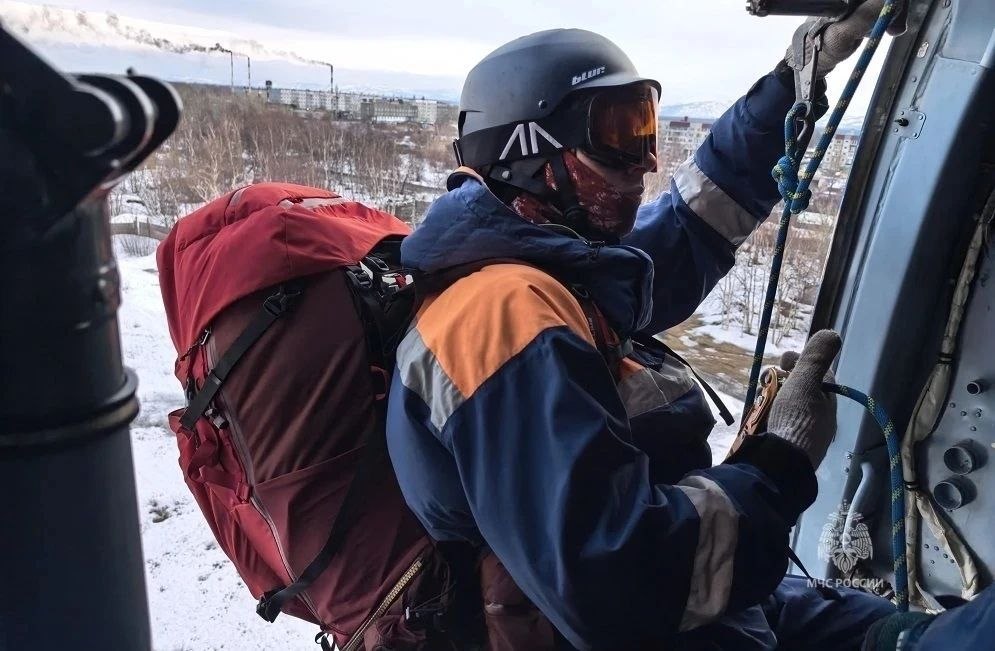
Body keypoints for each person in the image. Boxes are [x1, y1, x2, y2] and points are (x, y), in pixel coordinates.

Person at [385, 5, 900, 649]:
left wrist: (795, 82)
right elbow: (618, 579)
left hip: (712, 603)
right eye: (619, 133)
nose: (646, 162)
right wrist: (781, 459)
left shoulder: (562, 267)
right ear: (531, 155)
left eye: (644, 126)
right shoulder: (501, 316)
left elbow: (693, 222)